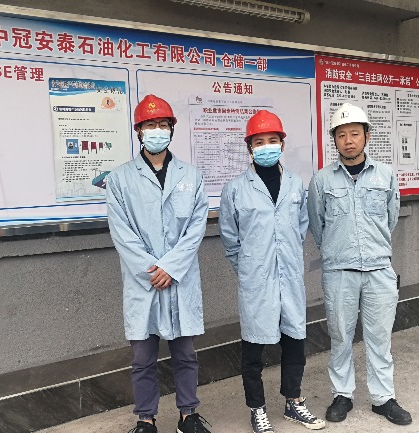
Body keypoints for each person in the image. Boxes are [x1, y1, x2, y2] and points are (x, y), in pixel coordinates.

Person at [106, 94, 212, 433]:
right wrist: (153, 270)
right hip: (145, 281)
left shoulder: (191, 176)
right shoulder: (120, 178)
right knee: (142, 358)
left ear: (171, 130)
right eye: (150, 125)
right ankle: (145, 419)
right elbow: (122, 232)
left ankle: (188, 415)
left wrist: (172, 268)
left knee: (185, 354)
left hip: (178, 279)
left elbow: (196, 227)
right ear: (139, 131)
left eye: (163, 124)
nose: (157, 130)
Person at [219, 110, 325, 433]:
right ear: (249, 147)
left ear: (282, 144)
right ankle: (257, 408)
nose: (267, 146)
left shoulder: (295, 184)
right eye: (259, 142)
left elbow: (300, 227)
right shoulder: (235, 188)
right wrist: (249, 269)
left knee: (295, 342)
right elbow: (230, 240)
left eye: (272, 140)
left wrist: (285, 259)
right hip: (256, 281)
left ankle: (293, 401)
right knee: (253, 349)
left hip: (289, 277)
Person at [307, 103, 411, 426]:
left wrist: (372, 248)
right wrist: (339, 251)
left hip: (379, 270)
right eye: (341, 135)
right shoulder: (321, 180)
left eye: (355, 133)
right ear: (334, 140)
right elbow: (318, 225)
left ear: (367, 136)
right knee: (340, 336)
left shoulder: (385, 175)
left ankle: (383, 398)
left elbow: (390, 218)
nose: (348, 140)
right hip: (339, 272)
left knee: (380, 338)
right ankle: (342, 395)